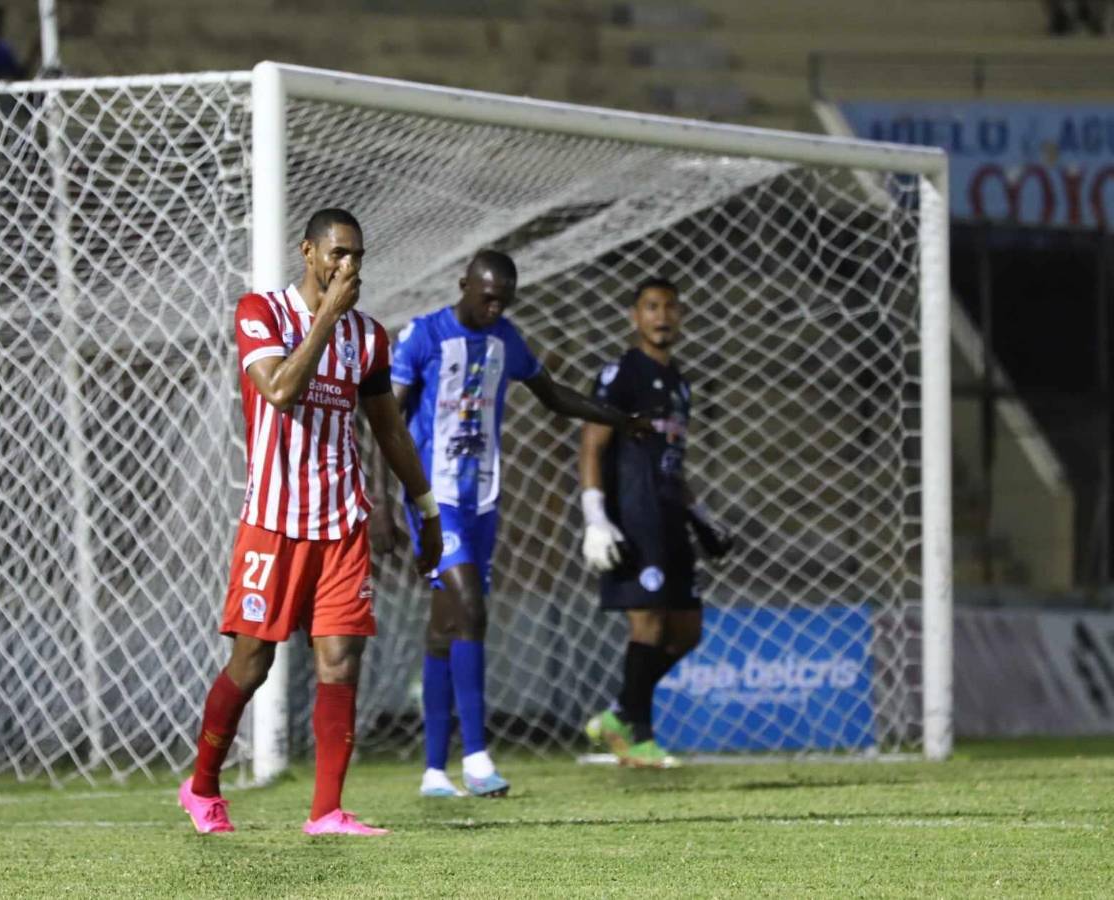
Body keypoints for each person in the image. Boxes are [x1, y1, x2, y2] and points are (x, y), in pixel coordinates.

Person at [178, 207, 442, 836]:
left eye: (357, 257)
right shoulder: (260, 313)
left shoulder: (370, 338)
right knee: (252, 666)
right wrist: (326, 318)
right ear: (308, 251)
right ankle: (203, 786)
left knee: (341, 662)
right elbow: (279, 391)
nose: (347, 266)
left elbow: (389, 429)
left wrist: (424, 507)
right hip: (272, 520)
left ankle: (326, 811)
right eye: (337, 254)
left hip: (341, 521)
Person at [375, 250, 651, 799]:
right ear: (464, 285)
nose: (495, 306)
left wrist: (619, 419)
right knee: (472, 608)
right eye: (487, 296)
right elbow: (385, 419)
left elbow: (553, 396)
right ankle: (477, 759)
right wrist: (380, 502)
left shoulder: (507, 339)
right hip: (434, 498)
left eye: (504, 298)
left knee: (444, 628)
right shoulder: (423, 337)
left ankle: (434, 772)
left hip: (483, 500)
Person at [579, 277, 733, 768]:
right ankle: (641, 739)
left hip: (670, 514)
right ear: (635, 317)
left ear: (680, 315)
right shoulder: (622, 374)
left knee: (687, 629)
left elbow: (672, 460)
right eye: (651, 307)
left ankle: (621, 712)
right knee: (646, 622)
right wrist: (596, 517)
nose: (661, 316)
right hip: (632, 514)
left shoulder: (681, 383)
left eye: (669, 307)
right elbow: (592, 445)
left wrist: (702, 515)